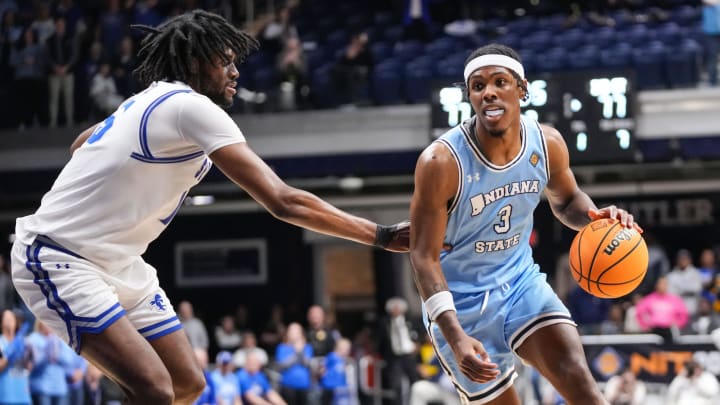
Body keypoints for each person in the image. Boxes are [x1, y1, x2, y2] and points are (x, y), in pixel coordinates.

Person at [9, 10, 409, 405]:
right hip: (59, 256)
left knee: (187, 385)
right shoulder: (189, 106)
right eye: (226, 61)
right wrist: (379, 234)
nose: (236, 72)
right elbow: (283, 201)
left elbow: (81, 143)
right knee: (154, 389)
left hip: (119, 264)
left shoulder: (147, 101)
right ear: (196, 63)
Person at [408, 43, 640, 405]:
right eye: (478, 86)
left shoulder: (547, 143)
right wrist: (454, 335)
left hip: (519, 285)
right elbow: (423, 257)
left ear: (522, 89)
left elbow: (566, 201)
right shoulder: (441, 162)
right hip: (460, 305)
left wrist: (596, 218)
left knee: (582, 384)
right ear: (469, 95)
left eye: (500, 82)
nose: (489, 92)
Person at [635, 276, 688, 342]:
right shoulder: (649, 299)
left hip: (669, 330)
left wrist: (678, 324)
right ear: (656, 285)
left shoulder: (674, 299)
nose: (663, 286)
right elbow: (639, 313)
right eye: (661, 283)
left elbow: (683, 314)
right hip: (654, 329)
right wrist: (644, 325)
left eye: (665, 283)